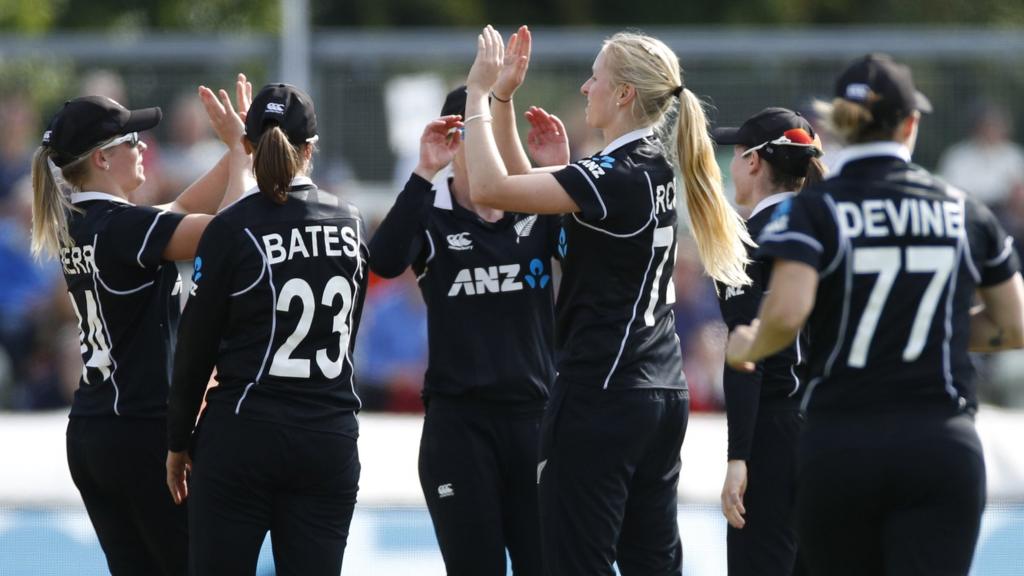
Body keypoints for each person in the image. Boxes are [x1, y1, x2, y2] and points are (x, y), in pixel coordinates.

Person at [462, 26, 753, 575]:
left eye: (595, 76)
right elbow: (523, 181)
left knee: (576, 561)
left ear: (623, 94)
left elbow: (488, 189)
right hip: (659, 390)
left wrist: (478, 94)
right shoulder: (642, 169)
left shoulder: (616, 176)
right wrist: (504, 100)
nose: (584, 87)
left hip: (602, 389)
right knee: (651, 563)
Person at [726, 53, 1024, 576]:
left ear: (839, 122)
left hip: (844, 438)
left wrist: (747, 346)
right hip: (941, 440)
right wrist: (939, 332)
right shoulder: (965, 209)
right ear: (911, 124)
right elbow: (1014, 325)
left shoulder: (816, 211)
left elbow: (788, 313)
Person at [30, 77, 251, 575]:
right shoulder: (126, 228)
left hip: (92, 432)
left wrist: (239, 149)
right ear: (102, 159)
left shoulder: (86, 222)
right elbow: (234, 234)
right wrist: (241, 159)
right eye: (130, 140)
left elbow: (180, 209)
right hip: (139, 430)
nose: (142, 147)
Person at [369, 26, 560, 575]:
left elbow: (599, 260)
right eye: (473, 141)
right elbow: (382, 262)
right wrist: (422, 171)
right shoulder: (430, 218)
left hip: (535, 421)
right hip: (460, 426)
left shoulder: (534, 210)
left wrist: (554, 173)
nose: (487, 154)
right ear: (456, 146)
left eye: (495, 140)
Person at [165, 82, 368, 576]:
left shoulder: (232, 228)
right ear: (311, 150)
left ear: (248, 147)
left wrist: (177, 441)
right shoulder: (353, 223)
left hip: (244, 433)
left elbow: (195, 346)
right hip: (328, 436)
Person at [710, 107, 826, 575]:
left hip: (776, 430)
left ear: (754, 162)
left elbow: (746, 356)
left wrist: (739, 456)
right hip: (835, 426)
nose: (732, 166)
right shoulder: (833, 232)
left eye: (735, 155)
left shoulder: (747, 243)